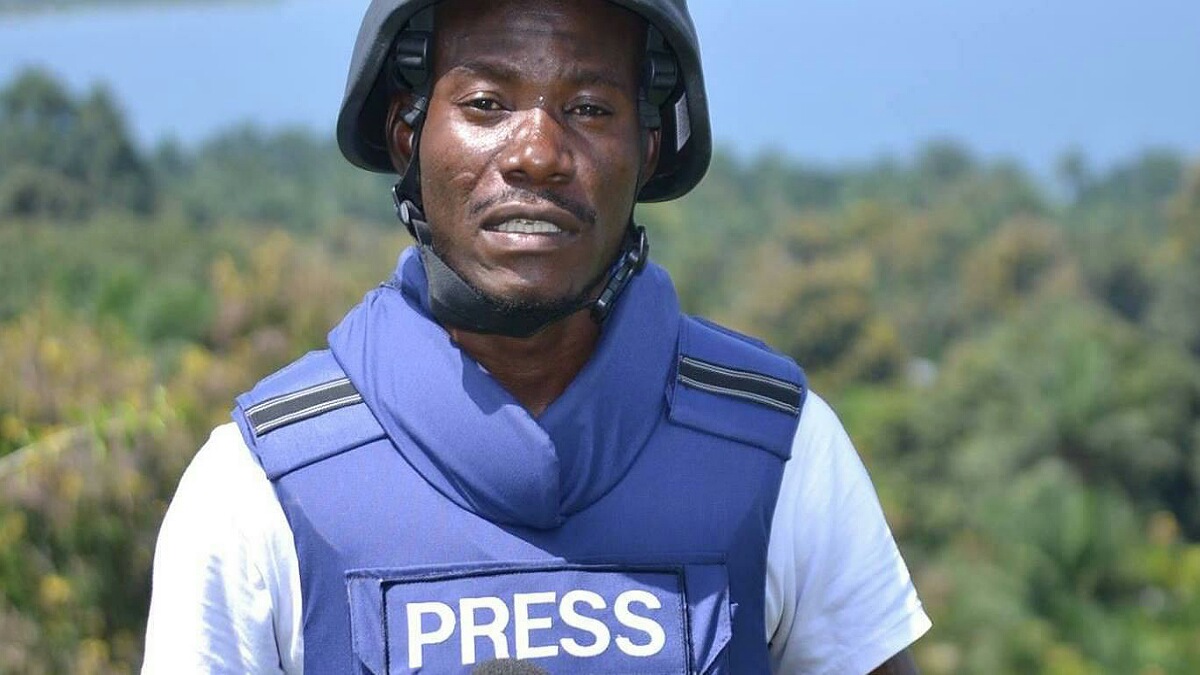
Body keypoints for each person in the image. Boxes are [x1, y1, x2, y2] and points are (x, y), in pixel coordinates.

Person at [142, 0, 931, 672]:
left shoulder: (779, 450)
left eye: (589, 109)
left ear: (649, 149)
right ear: (407, 136)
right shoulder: (262, 485)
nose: (538, 155)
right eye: (487, 103)